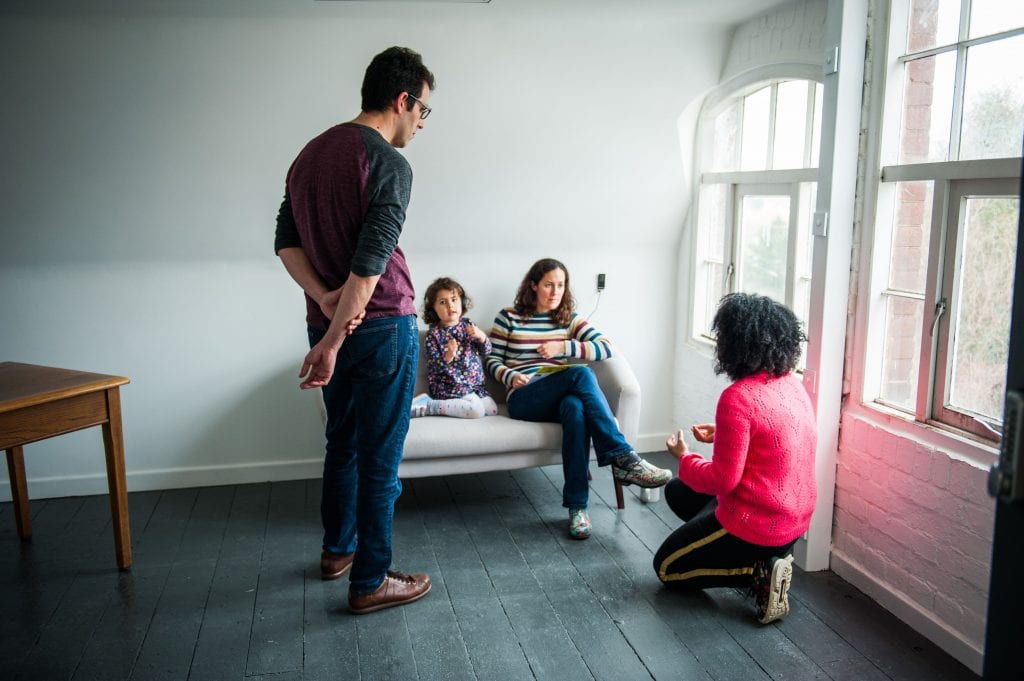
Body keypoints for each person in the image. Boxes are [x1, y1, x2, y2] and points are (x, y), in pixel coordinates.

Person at [273, 46, 435, 614]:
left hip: (326, 324)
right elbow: (370, 268)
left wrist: (322, 309)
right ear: (402, 99)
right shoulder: (389, 163)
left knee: (340, 444)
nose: (421, 123)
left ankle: (336, 551)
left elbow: (285, 242)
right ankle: (370, 581)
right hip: (383, 328)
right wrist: (334, 342)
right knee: (381, 458)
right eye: (423, 111)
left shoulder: (309, 155)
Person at [653, 292, 817, 624]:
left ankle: (758, 571)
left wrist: (683, 457)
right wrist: (725, 433)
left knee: (667, 568)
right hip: (794, 523)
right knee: (676, 492)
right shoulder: (791, 384)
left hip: (756, 522)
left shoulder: (738, 397)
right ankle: (773, 557)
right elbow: (775, 439)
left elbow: (722, 480)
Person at [486, 258, 672, 540]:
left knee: (575, 408)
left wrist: (564, 345)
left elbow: (606, 348)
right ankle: (623, 457)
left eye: (561, 285)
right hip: (524, 397)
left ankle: (577, 509)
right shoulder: (509, 316)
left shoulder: (568, 319)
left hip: (558, 391)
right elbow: (490, 358)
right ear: (533, 286)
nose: (555, 291)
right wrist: (510, 377)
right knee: (580, 375)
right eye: (549, 285)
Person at [411, 277, 498, 419]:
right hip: (449, 387)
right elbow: (433, 367)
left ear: (462, 302)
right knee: (476, 411)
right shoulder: (434, 335)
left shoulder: (469, 325)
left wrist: (481, 337)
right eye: (443, 302)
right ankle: (429, 405)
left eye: (454, 299)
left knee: (492, 410)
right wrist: (448, 356)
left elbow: (486, 351)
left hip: (475, 388)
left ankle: (468, 403)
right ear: (433, 309)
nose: (450, 306)